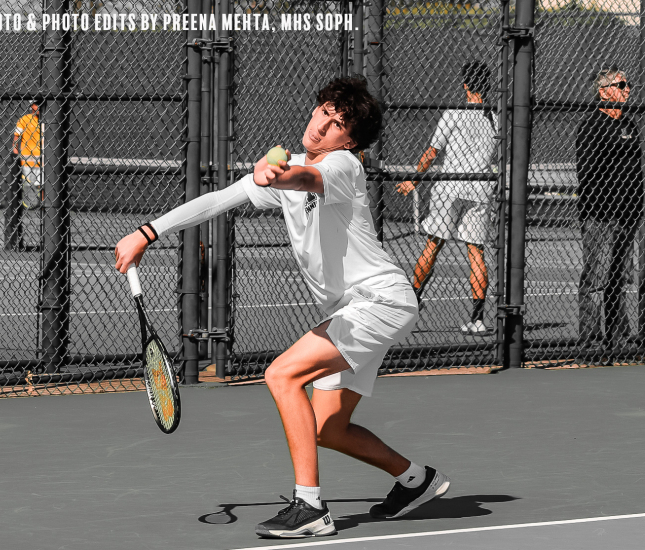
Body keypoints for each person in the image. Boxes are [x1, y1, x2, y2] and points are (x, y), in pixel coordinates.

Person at [114, 77, 450, 539]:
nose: (324, 126)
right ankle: (417, 480)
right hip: (354, 309)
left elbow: (309, 179)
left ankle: (310, 509)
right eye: (325, 113)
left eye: (338, 125)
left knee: (281, 374)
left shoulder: (342, 167)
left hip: (379, 302)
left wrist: (281, 175)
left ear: (349, 141)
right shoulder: (292, 165)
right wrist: (146, 233)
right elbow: (217, 200)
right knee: (328, 429)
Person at [396, 61, 498, 335]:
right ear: (487, 85)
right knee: (476, 253)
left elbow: (431, 152)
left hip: (450, 188)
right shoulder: (496, 117)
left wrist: (413, 180)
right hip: (480, 188)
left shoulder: (453, 114)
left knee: (432, 246)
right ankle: (477, 319)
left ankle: (412, 307)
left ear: (465, 84)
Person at [574, 67, 643, 360]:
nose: (628, 89)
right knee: (596, 279)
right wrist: (607, 204)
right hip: (601, 216)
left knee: (617, 278)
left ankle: (619, 336)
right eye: (621, 84)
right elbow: (586, 174)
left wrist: (634, 206)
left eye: (628, 84)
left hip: (627, 216)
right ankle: (589, 339)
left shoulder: (629, 124)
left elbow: (636, 171)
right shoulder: (591, 125)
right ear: (604, 92)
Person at [13, 101, 42, 209]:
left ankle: (43, 205)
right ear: (31, 106)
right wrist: (15, 155)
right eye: (36, 104)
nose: (38, 106)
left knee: (42, 185)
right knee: (27, 185)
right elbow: (16, 138)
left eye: (40, 104)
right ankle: (29, 204)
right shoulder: (24, 120)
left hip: (42, 160)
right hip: (26, 161)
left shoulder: (47, 120)